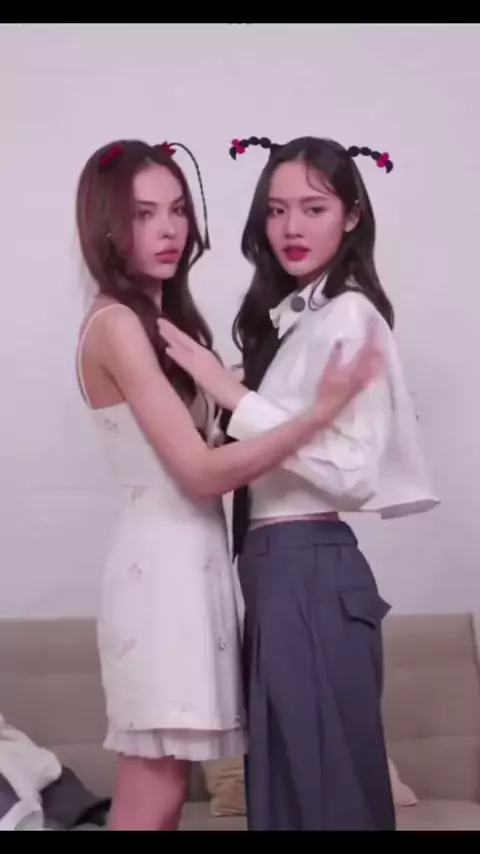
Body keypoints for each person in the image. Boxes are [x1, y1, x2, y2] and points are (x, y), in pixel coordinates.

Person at [74, 137, 383, 831]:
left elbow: (208, 451)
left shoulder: (165, 325)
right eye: (143, 214)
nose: (168, 229)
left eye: (178, 210)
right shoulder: (117, 324)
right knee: (154, 794)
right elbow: (200, 472)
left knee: (163, 794)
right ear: (106, 226)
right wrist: (320, 413)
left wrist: (236, 391)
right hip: (159, 573)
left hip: (198, 567)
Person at [156, 135, 440, 831]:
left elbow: (353, 474)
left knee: (323, 795)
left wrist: (230, 394)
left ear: (351, 216)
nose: (291, 227)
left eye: (314, 208)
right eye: (278, 209)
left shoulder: (350, 315)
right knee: (287, 794)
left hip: (309, 567)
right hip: (274, 570)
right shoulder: (292, 321)